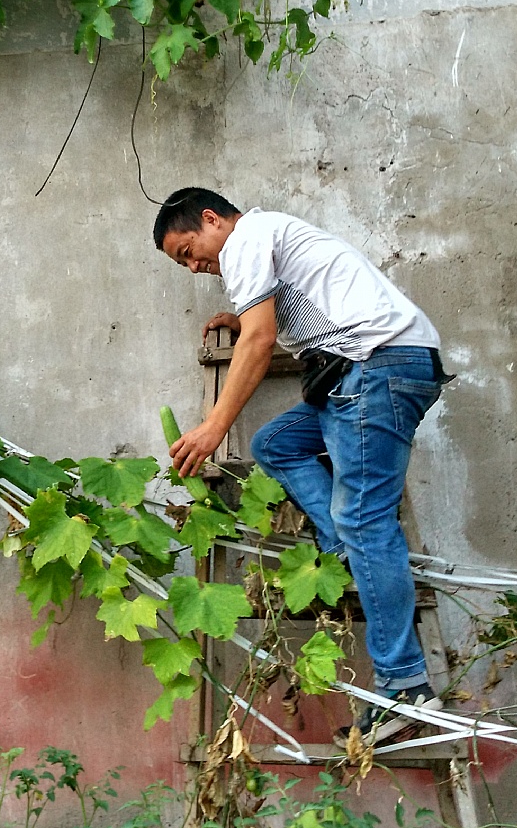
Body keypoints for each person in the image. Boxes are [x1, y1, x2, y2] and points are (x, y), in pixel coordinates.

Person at [154, 186, 452, 747]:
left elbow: (260, 339)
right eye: (183, 264)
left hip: (375, 369)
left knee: (366, 520)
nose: (193, 267)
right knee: (276, 444)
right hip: (373, 369)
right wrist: (242, 318)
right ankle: (342, 548)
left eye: (188, 252)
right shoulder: (267, 240)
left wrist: (214, 426)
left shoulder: (246, 238)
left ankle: (406, 687)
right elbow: (286, 314)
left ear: (212, 220)